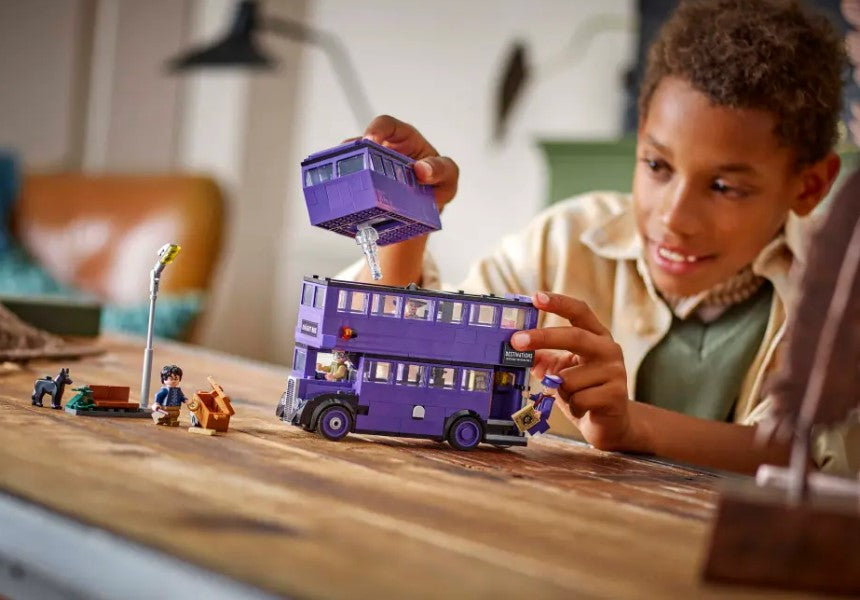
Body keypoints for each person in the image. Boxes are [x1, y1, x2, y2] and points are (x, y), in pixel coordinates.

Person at [339, 0, 859, 474]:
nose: (675, 218)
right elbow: (407, 358)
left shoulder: (836, 294)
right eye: (657, 165)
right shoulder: (562, 242)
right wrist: (406, 223)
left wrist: (633, 425)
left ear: (809, 186)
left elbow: (813, 455)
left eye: (724, 187)